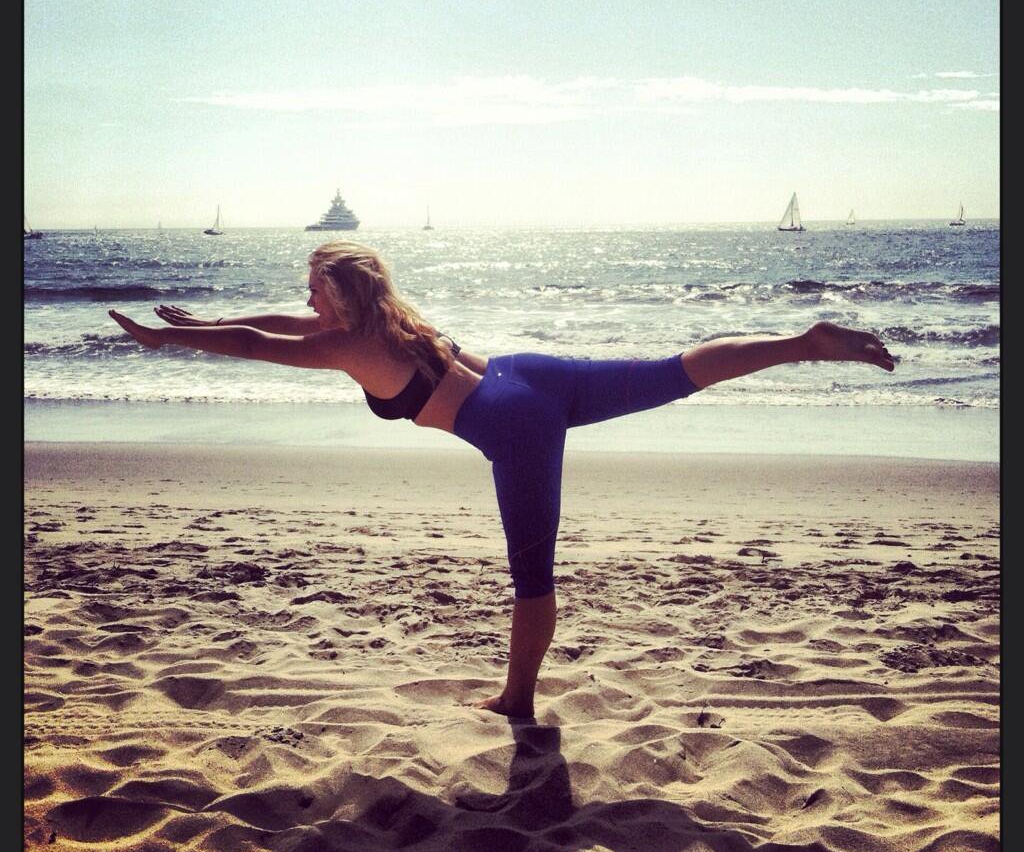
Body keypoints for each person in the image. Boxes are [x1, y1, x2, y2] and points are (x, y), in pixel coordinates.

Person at [109, 239, 895, 720]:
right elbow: (274, 325)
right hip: (529, 372)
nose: (306, 297)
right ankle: (802, 343)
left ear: (341, 295)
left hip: (513, 423)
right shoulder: (387, 320)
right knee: (673, 371)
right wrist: (200, 324)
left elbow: (258, 343)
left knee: (531, 574)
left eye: (315, 285)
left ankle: (518, 699)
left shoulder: (345, 345)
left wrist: (166, 342)